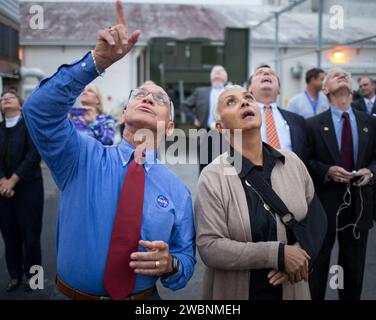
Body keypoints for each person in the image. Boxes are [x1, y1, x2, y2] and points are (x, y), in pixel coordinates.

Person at [23, 1, 195, 300]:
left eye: (159, 98)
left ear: (169, 128)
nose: (147, 97)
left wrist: (171, 264)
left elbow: (186, 260)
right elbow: (38, 110)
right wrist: (97, 62)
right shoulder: (81, 157)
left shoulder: (178, 192)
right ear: (124, 112)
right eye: (139, 93)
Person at [194, 85, 327, 300]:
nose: (245, 102)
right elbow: (210, 247)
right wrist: (278, 255)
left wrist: (298, 257)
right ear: (220, 126)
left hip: (292, 290)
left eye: (248, 98)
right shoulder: (212, 177)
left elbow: (316, 218)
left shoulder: (292, 162)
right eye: (231, 102)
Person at [306, 68, 376, 300]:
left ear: (353, 89)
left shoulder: (369, 122)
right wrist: (327, 170)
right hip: (324, 206)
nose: (343, 75)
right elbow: (305, 161)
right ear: (325, 90)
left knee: (353, 269)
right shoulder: (313, 124)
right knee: (317, 267)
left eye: (347, 75)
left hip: (358, 206)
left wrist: (371, 171)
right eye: (336, 75)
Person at [0, 90, 44, 292]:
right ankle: (15, 276)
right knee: (10, 234)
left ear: (20, 104)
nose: (5, 98)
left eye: (10, 96)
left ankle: (34, 278)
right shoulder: (0, 128)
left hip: (29, 187)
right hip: (3, 190)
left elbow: (34, 155)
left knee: (31, 235)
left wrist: (13, 180)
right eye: (2, 97)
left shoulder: (29, 126)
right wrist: (3, 181)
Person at [247, 65, 308, 163]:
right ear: (249, 89)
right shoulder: (239, 119)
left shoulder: (298, 121)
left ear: (279, 89)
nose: (266, 74)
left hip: (291, 174)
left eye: (272, 74)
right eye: (259, 73)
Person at [182, 65, 228, 172]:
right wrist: (194, 119)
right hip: (205, 133)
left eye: (220, 71)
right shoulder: (200, 92)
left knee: (224, 167)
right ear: (211, 77)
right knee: (204, 167)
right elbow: (185, 105)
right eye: (215, 71)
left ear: (225, 77)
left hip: (225, 134)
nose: (217, 73)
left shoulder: (230, 93)